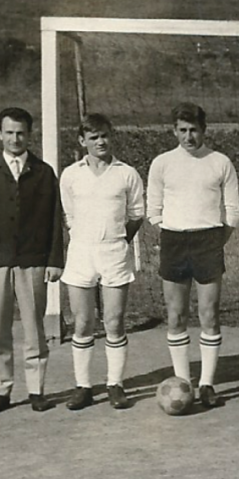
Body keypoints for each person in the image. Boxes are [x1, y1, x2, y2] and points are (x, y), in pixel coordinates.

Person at [147, 102, 239, 408]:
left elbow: (233, 212)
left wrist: (215, 240)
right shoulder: (162, 163)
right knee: (175, 315)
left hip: (207, 240)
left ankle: (208, 384)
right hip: (174, 241)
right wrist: (173, 231)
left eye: (194, 130)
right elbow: (153, 211)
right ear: (175, 131)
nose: (188, 137)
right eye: (182, 130)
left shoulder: (220, 162)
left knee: (209, 314)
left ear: (204, 130)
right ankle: (182, 381)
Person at [60, 113, 145, 410]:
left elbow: (136, 214)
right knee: (82, 322)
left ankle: (115, 385)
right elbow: (69, 215)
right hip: (82, 253)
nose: (100, 142)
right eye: (93, 137)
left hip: (114, 252)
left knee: (114, 321)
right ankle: (83, 386)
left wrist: (120, 239)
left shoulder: (127, 174)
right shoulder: (71, 174)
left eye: (105, 135)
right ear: (82, 141)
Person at [0, 107, 63, 413]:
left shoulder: (43, 172)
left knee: (33, 327)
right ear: (1, 134)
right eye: (9, 132)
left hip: (33, 261)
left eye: (20, 133)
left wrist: (54, 260)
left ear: (30, 134)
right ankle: (2, 388)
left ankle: (37, 389)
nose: (15, 138)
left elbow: (54, 220)